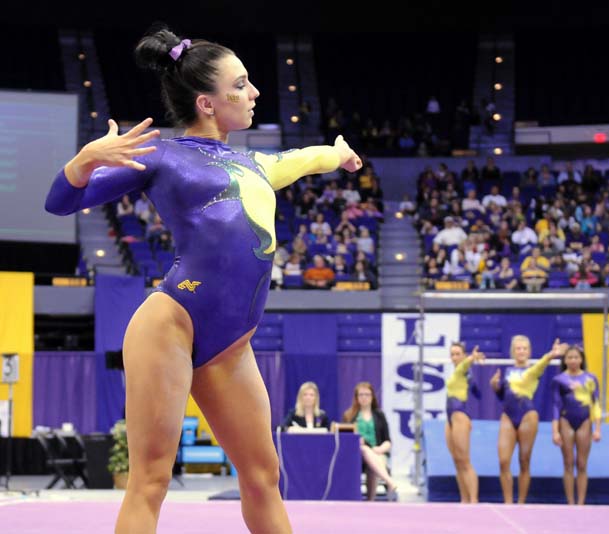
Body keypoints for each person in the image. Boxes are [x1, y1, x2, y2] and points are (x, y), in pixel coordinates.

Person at [44, 26, 361, 534]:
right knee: (150, 479)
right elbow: (60, 202)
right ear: (207, 103)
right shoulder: (162, 155)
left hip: (231, 344)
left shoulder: (252, 163)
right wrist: (82, 163)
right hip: (172, 322)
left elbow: (301, 161)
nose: (254, 92)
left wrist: (337, 154)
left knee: (262, 476)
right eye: (241, 85)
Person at [490, 336, 568, 504]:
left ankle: (521, 503)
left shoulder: (534, 370)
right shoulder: (508, 371)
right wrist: (495, 386)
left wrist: (551, 355)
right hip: (508, 415)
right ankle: (508, 502)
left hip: (527, 414)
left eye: (525, 348)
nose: (521, 351)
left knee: (524, 460)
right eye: (518, 348)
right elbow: (503, 396)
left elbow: (540, 365)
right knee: (504, 461)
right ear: (513, 351)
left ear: (529, 352)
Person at [551, 346, 602, 505]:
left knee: (581, 463)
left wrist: (598, 429)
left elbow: (596, 404)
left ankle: (581, 502)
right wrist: (555, 431)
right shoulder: (559, 380)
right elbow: (555, 406)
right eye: (570, 357)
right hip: (566, 420)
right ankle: (570, 502)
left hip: (585, 421)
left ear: (581, 359)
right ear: (565, 360)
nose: (573, 360)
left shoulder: (590, 378)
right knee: (568, 462)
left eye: (576, 357)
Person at [342, 382, 398, 501]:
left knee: (373, 462)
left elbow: (387, 441)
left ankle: (370, 501)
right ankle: (389, 481)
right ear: (356, 397)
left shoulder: (379, 415)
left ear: (372, 396)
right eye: (361, 395)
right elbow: (344, 438)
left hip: (378, 453)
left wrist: (379, 449)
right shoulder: (349, 415)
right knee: (364, 449)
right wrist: (355, 441)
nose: (364, 397)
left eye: (367, 394)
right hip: (356, 455)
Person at [444, 343, 485, 503]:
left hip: (460, 415)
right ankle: (464, 499)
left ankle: (474, 501)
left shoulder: (463, 369)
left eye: (457, 354)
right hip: (450, 418)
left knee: (465, 460)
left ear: (463, 355)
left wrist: (471, 359)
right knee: (457, 461)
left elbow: (477, 391)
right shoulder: (460, 372)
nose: (455, 357)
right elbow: (476, 391)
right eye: (452, 354)